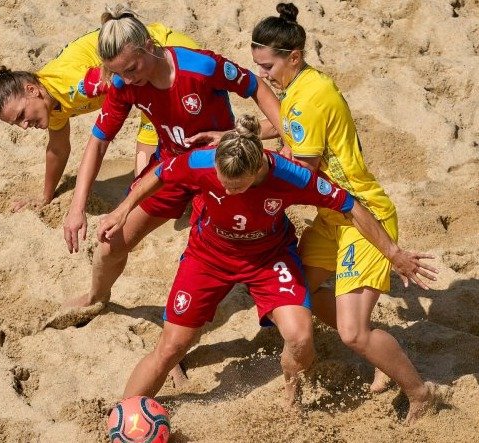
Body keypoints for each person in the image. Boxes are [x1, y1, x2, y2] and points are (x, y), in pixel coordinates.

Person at [97, 114, 437, 410]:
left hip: (269, 258)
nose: (228, 193)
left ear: (258, 168)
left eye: (237, 188)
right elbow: (160, 173)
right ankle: (124, 417)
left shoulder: (291, 176)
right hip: (208, 256)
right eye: (223, 184)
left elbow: (350, 205)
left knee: (301, 338)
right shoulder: (202, 161)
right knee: (172, 347)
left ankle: (292, 400)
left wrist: (393, 253)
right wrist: (121, 209)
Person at [248, 2, 441, 424]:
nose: (263, 74)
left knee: (354, 332)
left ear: (293, 57)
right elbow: (292, 125)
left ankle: (421, 393)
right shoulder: (306, 84)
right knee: (299, 294)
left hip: (361, 217)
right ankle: (369, 359)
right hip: (332, 218)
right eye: (258, 65)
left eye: (267, 66)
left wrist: (252, 161)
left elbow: (302, 172)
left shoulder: (307, 99)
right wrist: (251, 130)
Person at [62, 5, 283, 311]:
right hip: (170, 167)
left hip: (220, 169)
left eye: (131, 69)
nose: (126, 79)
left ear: (150, 47)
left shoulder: (200, 67)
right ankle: (96, 299)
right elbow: (99, 141)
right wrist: (77, 207)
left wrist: (289, 133)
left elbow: (254, 85)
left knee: (201, 265)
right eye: (117, 73)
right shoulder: (124, 84)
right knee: (109, 244)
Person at [0, 23, 198, 211]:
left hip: (165, 54)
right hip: (142, 73)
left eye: (22, 115)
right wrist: (45, 197)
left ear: (32, 90)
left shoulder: (70, 85)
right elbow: (57, 149)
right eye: (16, 123)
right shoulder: (50, 102)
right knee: (147, 180)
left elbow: (121, 79)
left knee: (154, 160)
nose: (23, 126)